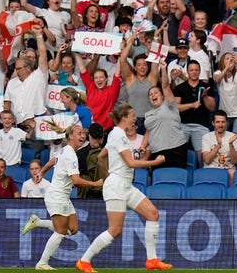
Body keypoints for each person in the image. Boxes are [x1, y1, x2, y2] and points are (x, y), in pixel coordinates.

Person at [76, 104, 170, 272]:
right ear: (125, 117)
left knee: (153, 214)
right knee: (115, 230)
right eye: (133, 115)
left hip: (124, 185)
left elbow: (101, 157)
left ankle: (152, 260)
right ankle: (84, 260)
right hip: (118, 186)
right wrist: (155, 162)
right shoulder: (119, 134)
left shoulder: (116, 135)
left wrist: (107, 177)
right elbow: (130, 162)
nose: (135, 118)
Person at [22, 124, 103, 270]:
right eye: (79, 133)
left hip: (63, 196)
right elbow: (77, 181)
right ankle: (42, 263)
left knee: (73, 229)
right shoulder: (71, 154)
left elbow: (53, 160)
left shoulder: (66, 150)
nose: (82, 136)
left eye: (83, 133)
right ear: (71, 136)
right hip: (56, 196)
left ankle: (38, 222)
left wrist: (42, 172)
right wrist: (95, 183)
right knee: (60, 232)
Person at [143, 61, 189, 168]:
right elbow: (148, 132)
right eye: (150, 94)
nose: (153, 95)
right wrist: (142, 146)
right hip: (156, 152)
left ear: (163, 96)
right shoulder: (148, 114)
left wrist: (164, 69)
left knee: (175, 181)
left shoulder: (169, 105)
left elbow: (165, 86)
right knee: (159, 181)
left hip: (176, 149)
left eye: (155, 93)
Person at [173, 60, 216, 166]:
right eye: (191, 70)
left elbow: (212, 108)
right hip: (183, 125)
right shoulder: (180, 88)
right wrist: (191, 105)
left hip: (201, 126)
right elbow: (176, 108)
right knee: (177, 152)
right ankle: (180, 175)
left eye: (196, 70)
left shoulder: (206, 87)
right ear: (187, 71)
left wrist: (205, 96)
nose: (194, 72)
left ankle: (202, 176)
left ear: (200, 71)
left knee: (203, 155)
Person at [202, 110, 237, 186]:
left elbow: (235, 161)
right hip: (211, 169)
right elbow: (207, 160)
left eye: (223, 122)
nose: (220, 125)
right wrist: (218, 145)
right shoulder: (206, 137)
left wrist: (230, 144)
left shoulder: (233, 137)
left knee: (233, 173)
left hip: (228, 170)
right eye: (217, 122)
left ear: (226, 123)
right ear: (213, 123)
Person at [213, 52, 237, 134]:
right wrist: (226, 67)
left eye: (231, 59)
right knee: (220, 138)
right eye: (227, 59)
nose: (230, 61)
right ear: (222, 62)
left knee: (236, 139)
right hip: (223, 115)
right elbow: (217, 79)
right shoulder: (217, 73)